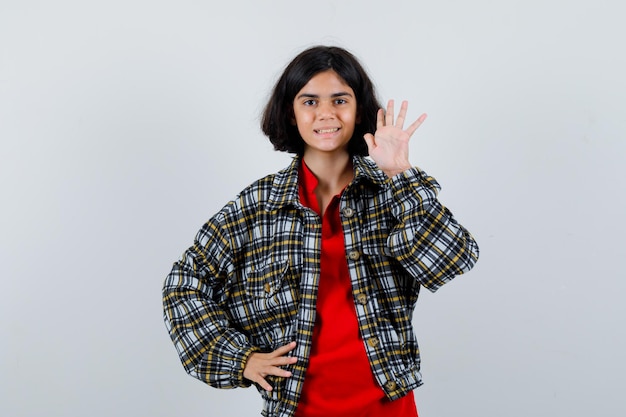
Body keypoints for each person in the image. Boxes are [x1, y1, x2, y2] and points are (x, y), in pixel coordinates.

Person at [162, 45, 479, 417]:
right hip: (298, 406)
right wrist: (240, 359)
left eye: (340, 100)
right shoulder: (258, 204)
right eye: (309, 101)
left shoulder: (392, 190)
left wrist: (398, 173)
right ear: (291, 114)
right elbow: (184, 284)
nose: (326, 113)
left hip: (387, 405)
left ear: (359, 109)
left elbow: (451, 260)